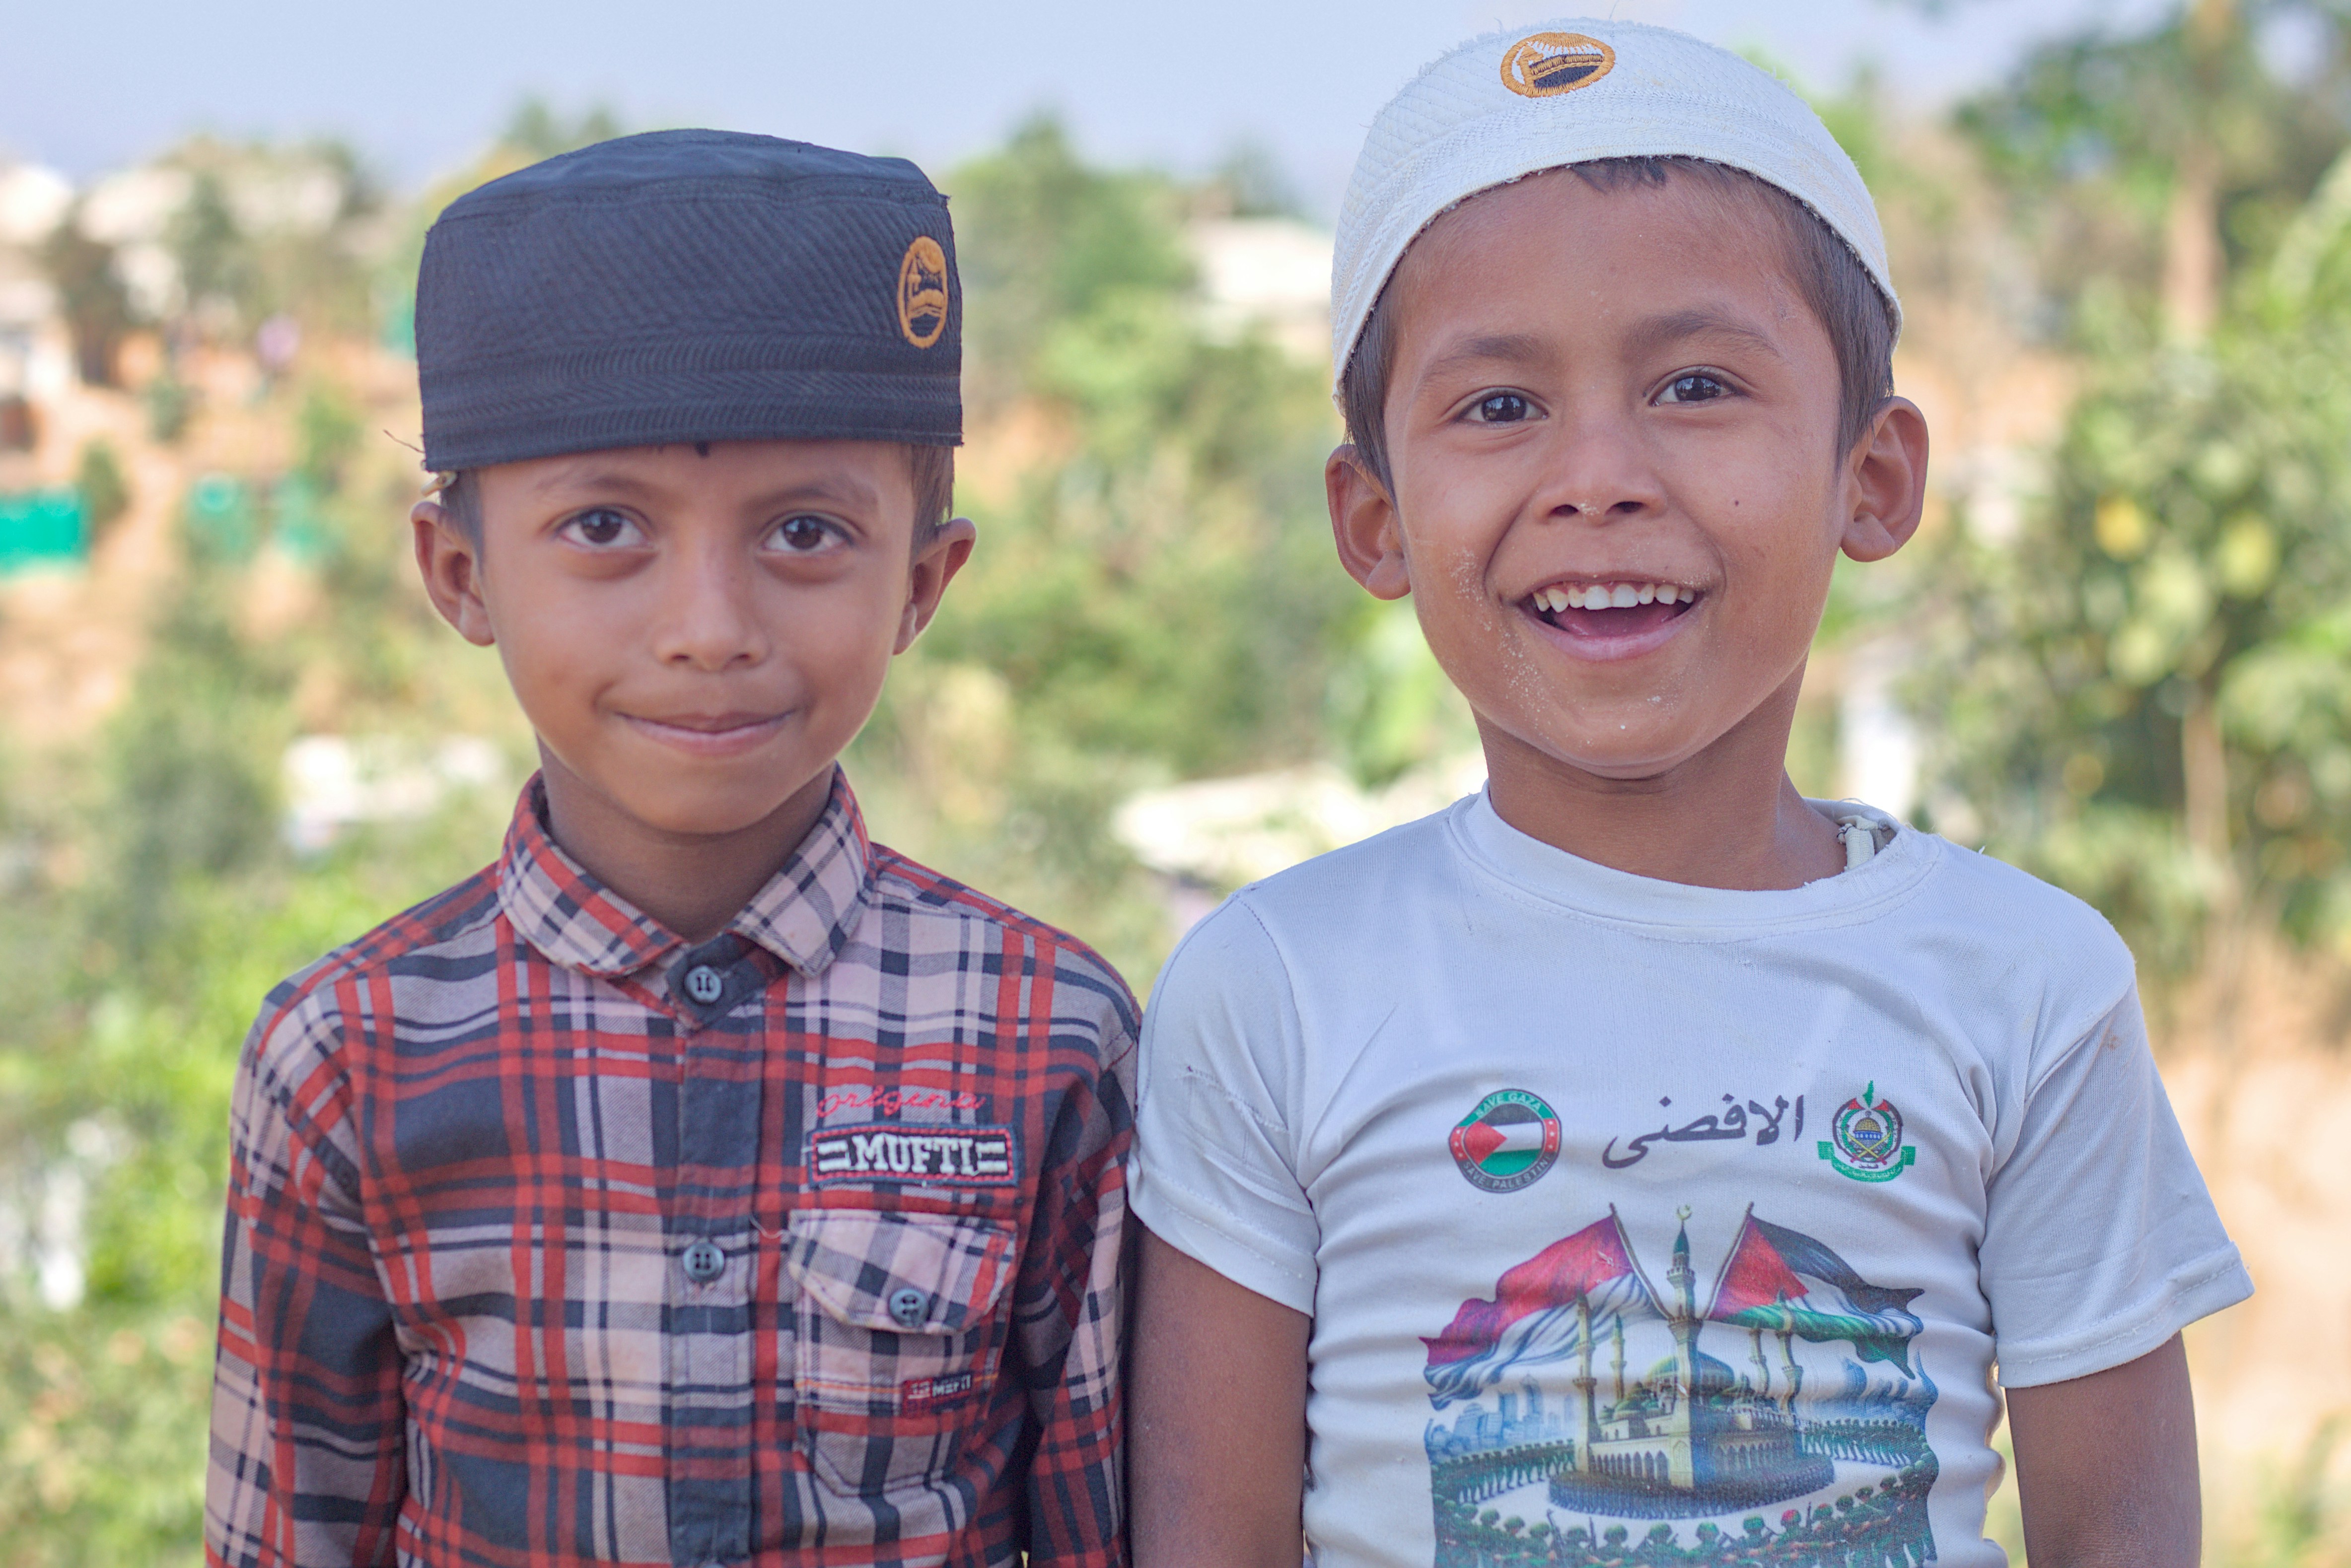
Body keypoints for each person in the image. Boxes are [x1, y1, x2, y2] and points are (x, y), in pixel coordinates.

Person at [1127, 22, 2248, 1568]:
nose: (1599, 473)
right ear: (1373, 518)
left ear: (1874, 479)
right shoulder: (1275, 989)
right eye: (1500, 407)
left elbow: (2123, 1532)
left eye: (1698, 384)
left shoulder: (2031, 986)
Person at [205, 131, 1134, 1568]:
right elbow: (289, 1534)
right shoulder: (346, 1057)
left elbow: (1107, 1529)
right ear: (462, 575)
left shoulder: (1046, 1038)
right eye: (603, 526)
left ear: (924, 582)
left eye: (807, 532)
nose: (709, 623)